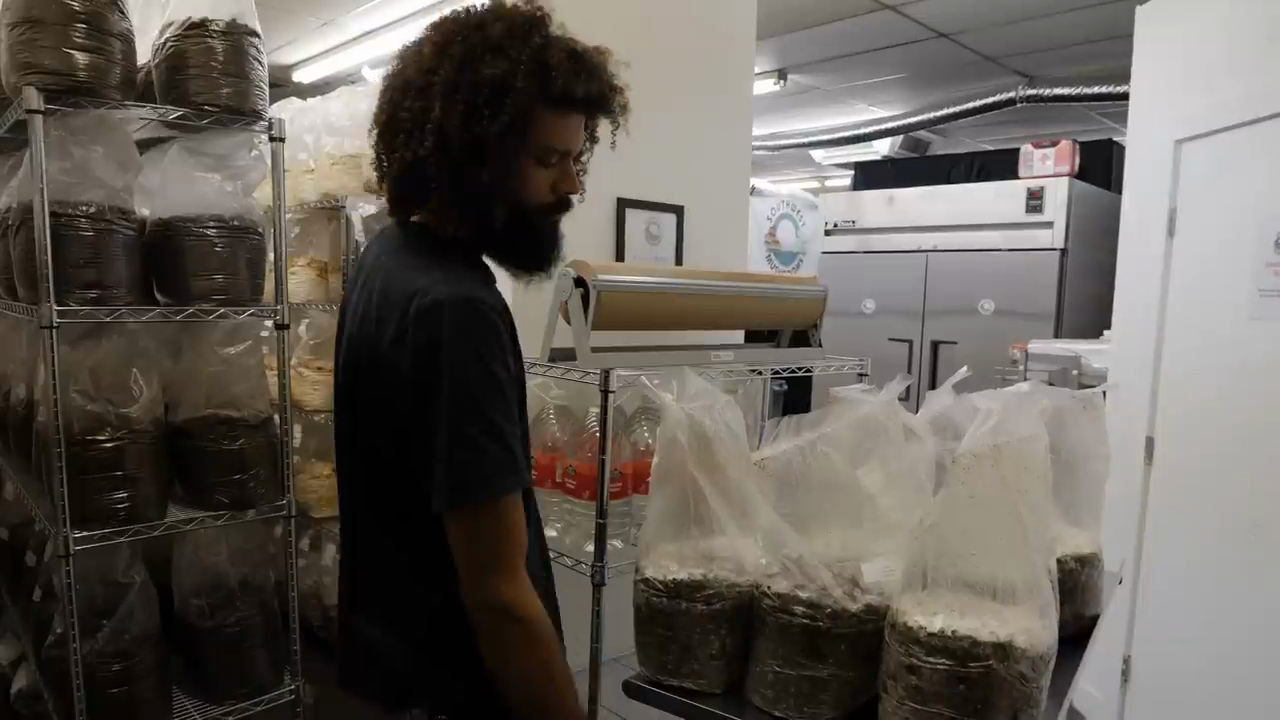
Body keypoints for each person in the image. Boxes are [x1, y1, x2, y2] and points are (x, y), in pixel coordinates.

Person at [333, 4, 629, 720]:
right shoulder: (456, 309)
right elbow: (498, 596)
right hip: (452, 692)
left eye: (575, 158)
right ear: (475, 159)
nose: (572, 186)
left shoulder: (385, 258)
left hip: (384, 673)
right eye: (547, 161)